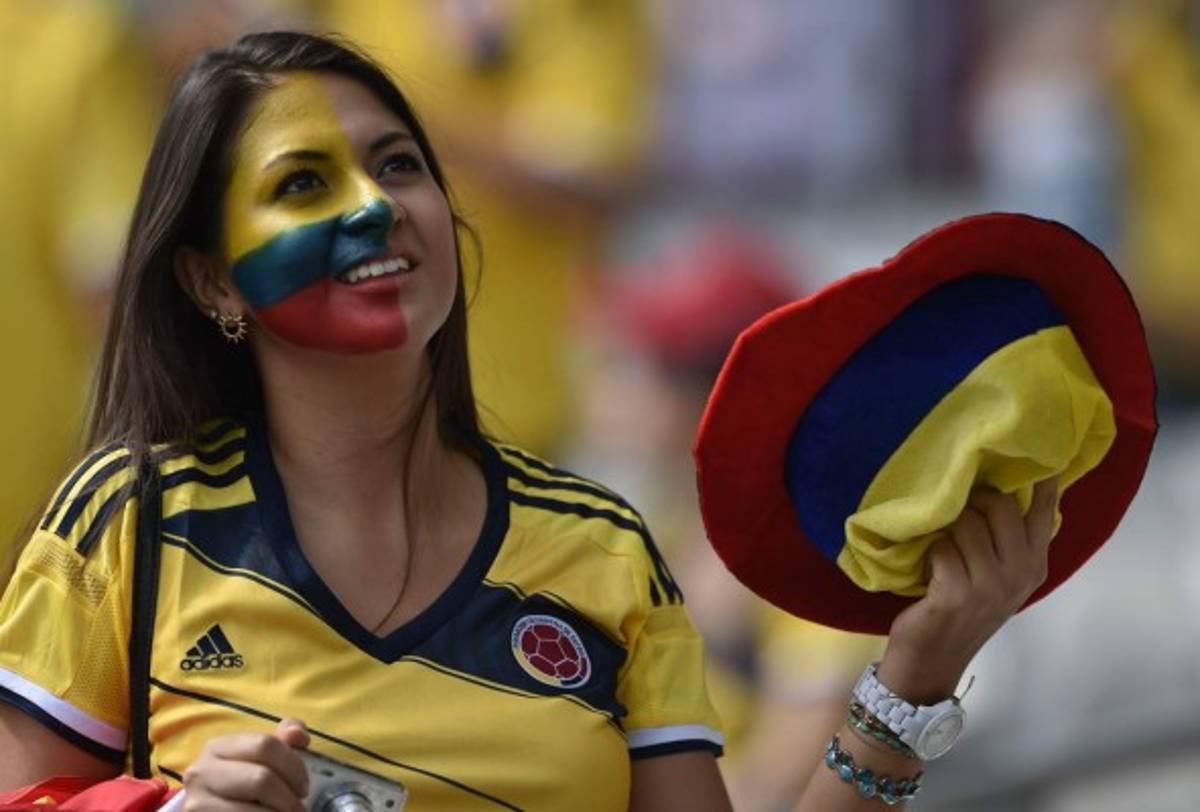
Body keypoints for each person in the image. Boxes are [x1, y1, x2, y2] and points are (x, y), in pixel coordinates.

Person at [0, 31, 1055, 811]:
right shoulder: (125, 519)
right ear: (210, 279)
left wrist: (914, 674)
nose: (375, 207)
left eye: (400, 164)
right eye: (304, 181)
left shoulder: (606, 551)